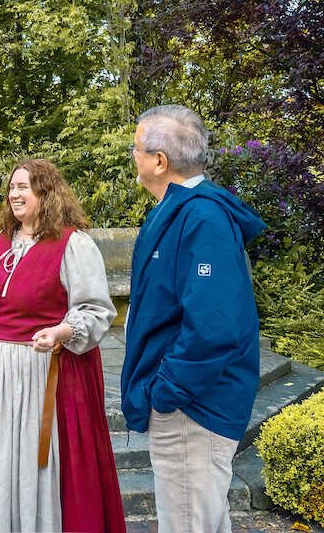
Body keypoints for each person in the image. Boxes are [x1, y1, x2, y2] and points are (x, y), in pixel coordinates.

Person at [0, 159, 126, 533]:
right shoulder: (5, 240)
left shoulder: (73, 244)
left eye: (24, 187)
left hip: (35, 374)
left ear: (46, 193)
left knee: (29, 465)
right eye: (12, 187)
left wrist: (61, 332)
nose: (15, 194)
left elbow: (97, 310)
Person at [120, 105, 267, 533]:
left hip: (192, 409)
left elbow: (214, 325)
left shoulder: (203, 217)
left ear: (159, 161)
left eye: (136, 148)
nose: (134, 157)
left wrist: (168, 392)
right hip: (187, 404)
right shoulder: (181, 212)